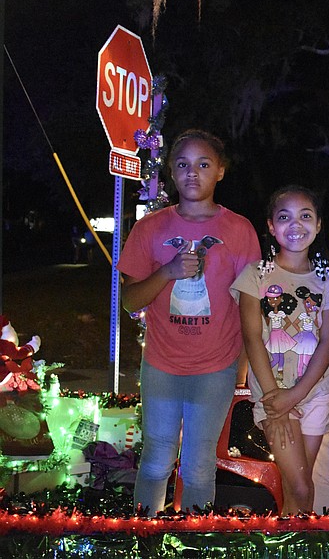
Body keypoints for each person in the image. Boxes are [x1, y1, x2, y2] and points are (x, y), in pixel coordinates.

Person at [118, 129, 261, 515]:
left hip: (216, 368)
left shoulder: (239, 230)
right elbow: (130, 300)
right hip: (161, 365)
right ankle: (146, 537)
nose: (192, 173)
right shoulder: (150, 228)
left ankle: (194, 539)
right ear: (171, 171)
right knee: (155, 459)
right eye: (182, 164)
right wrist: (167, 272)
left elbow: (250, 306)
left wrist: (243, 366)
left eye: (203, 164)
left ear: (220, 171)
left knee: (199, 464)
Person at [231, 185, 329, 514]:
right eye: (284, 217)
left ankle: (290, 539)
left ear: (318, 224)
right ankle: (293, 539)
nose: (296, 224)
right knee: (300, 486)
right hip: (273, 393)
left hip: (315, 392)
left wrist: (296, 395)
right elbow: (252, 338)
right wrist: (276, 400)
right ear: (271, 226)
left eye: (305, 216)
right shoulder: (255, 275)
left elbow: (328, 341)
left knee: (299, 489)